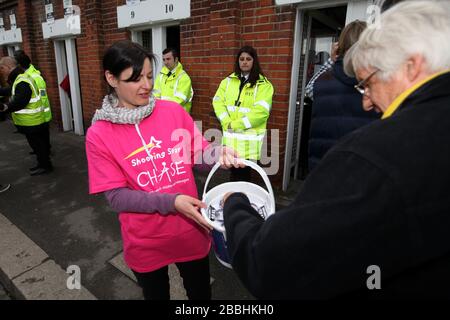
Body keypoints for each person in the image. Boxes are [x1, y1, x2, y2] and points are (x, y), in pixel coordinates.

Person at [222, 1, 450, 299]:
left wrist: (235, 203)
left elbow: (271, 265)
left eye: (368, 84)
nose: (366, 101)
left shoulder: (374, 156)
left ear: (412, 66)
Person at [86, 40, 241, 300]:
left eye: (149, 75)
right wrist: (172, 201)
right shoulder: (99, 134)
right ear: (111, 78)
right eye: (135, 79)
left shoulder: (172, 111)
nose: (146, 85)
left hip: (190, 231)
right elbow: (117, 197)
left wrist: (218, 154)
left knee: (200, 295)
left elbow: (196, 154)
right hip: (145, 242)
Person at [308, 20, 379, 171]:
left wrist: (331, 61)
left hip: (322, 167)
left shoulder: (323, 81)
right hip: (359, 170)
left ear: (340, 47)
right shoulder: (377, 82)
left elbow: (309, 90)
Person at [213, 46, 274, 182]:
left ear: (254, 61)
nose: (244, 62)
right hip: (230, 141)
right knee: (233, 176)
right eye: (241, 59)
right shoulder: (227, 81)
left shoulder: (263, 85)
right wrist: (226, 121)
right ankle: (235, 200)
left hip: (248, 145)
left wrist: (234, 124)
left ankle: (239, 201)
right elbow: (217, 102)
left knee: (243, 178)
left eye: (248, 59)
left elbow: (261, 113)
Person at [0, 57, 52, 176]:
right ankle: (42, 164)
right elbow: (13, 91)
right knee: (39, 145)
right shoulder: (22, 77)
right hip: (33, 120)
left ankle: (45, 166)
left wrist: (5, 107)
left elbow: (21, 100)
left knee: (38, 146)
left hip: (31, 121)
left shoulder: (21, 80)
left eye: (2, 69)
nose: (1, 72)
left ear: (6, 67)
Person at [14, 50, 52, 155]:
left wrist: (44, 116)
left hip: (41, 115)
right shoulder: (27, 75)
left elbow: (43, 97)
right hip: (39, 115)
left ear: (19, 65)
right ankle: (42, 151)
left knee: (42, 138)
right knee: (40, 140)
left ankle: (45, 153)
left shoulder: (34, 77)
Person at [153, 48, 193, 113]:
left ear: (176, 59)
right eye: (164, 59)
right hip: (163, 114)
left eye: (168, 59)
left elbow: (179, 100)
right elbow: (155, 96)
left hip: (179, 116)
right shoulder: (160, 76)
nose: (165, 62)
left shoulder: (184, 78)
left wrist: (162, 107)